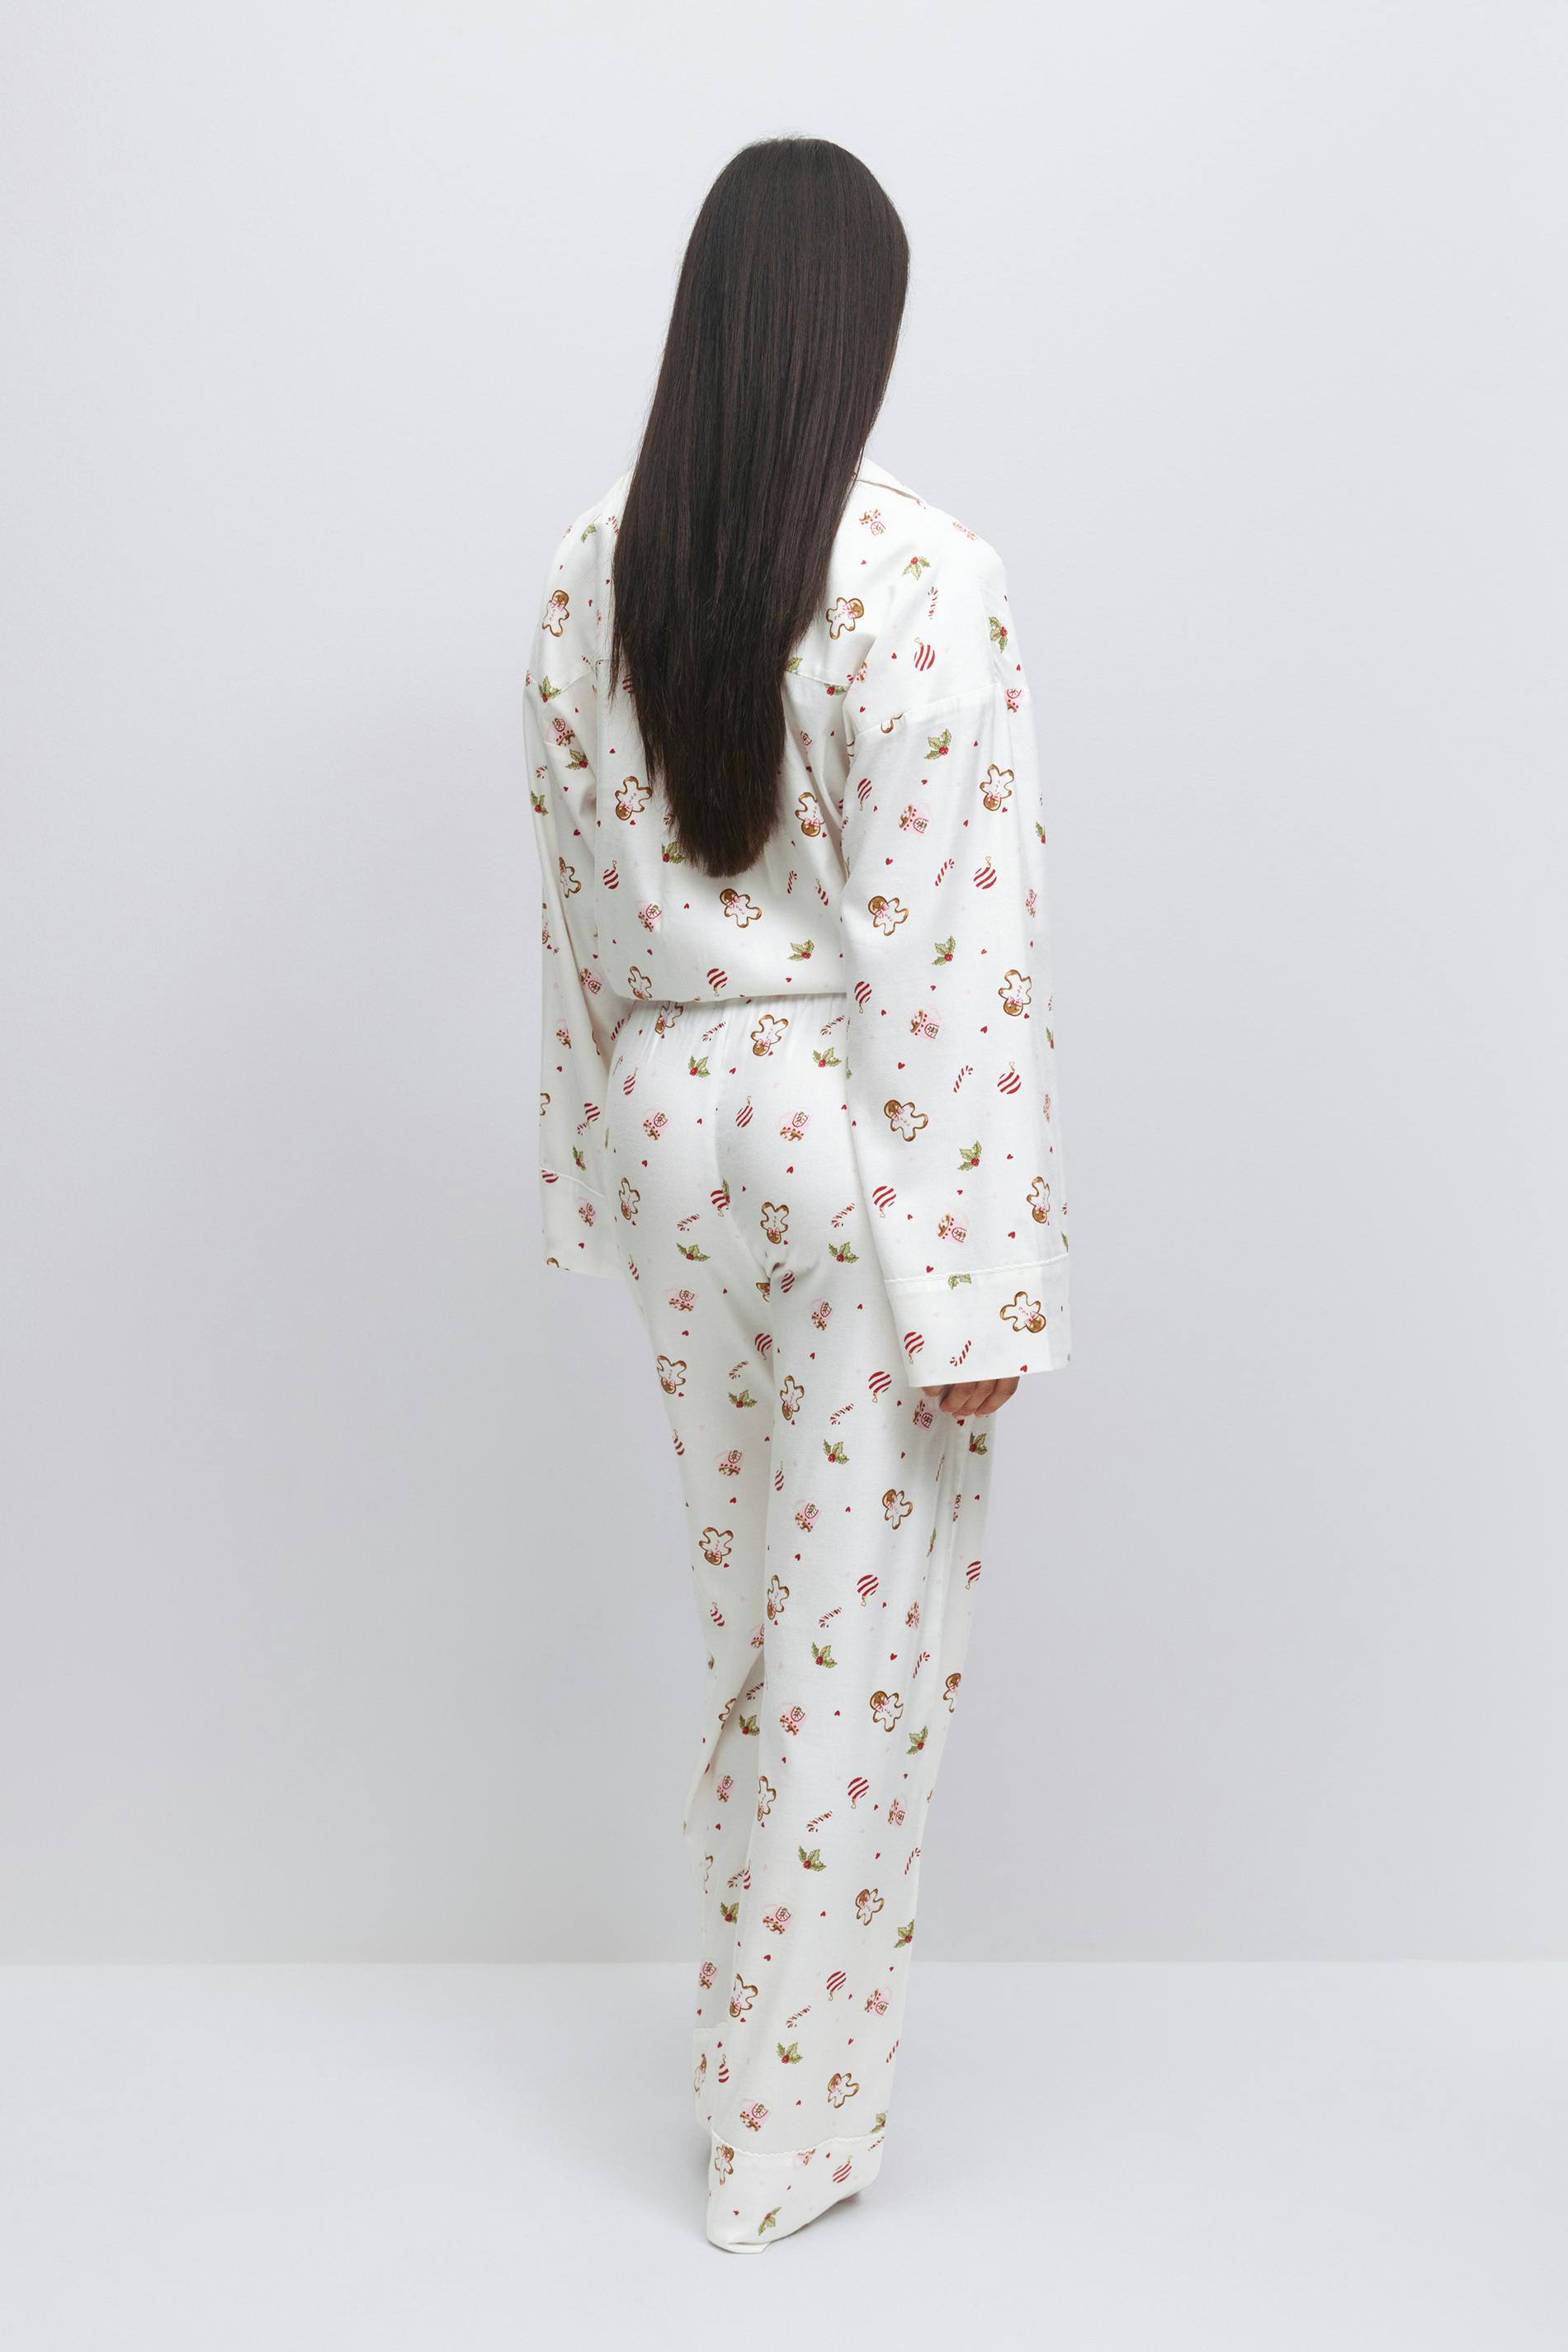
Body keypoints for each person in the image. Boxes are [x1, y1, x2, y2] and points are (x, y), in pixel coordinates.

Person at [525, 136, 1071, 2254]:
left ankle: (745, 2060)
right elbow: (952, 942)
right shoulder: (923, 571)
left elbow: (573, 904)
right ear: (856, 327)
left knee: (759, 1623)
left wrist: (594, 1168)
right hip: (844, 1118)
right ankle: (782, 2137)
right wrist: (979, 1286)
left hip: (674, 1109)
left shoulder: (590, 567)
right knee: (856, 1648)